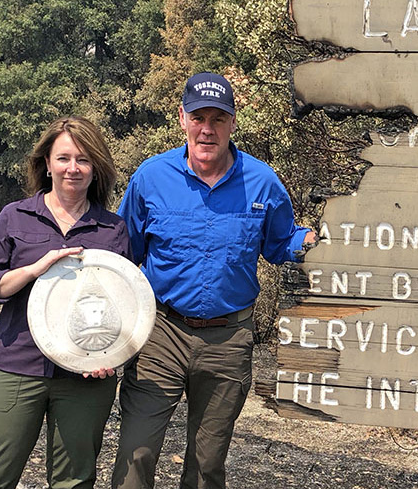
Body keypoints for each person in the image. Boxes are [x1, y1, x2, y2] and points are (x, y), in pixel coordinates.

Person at [112, 72, 317, 489]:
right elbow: (121, 252)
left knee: (207, 465)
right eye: (199, 117)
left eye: (218, 118)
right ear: (183, 119)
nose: (208, 129)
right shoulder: (151, 178)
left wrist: (315, 241)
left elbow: (280, 243)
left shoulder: (262, 182)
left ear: (232, 122)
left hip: (228, 340)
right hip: (159, 333)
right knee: (137, 453)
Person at [0, 116, 132, 489]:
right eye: (64, 158)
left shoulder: (113, 229)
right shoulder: (16, 216)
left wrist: (110, 357)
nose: (73, 168)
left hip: (84, 380)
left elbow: (125, 308)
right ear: (46, 163)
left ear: (96, 167)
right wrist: (31, 271)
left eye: (84, 159)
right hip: (16, 366)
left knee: (74, 483)